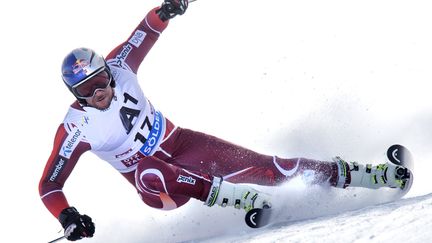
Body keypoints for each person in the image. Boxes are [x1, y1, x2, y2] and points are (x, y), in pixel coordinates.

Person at [39, 0, 411, 241]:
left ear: (107, 70)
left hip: (184, 145)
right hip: (163, 188)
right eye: (86, 91)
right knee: (149, 169)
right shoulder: (75, 128)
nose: (98, 92)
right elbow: (49, 185)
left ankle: (371, 175)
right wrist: (68, 216)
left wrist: (166, 10)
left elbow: (146, 32)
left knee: (273, 168)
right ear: (75, 95)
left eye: (100, 81)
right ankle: (240, 200)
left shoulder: (121, 66)